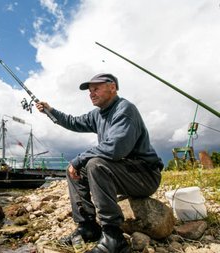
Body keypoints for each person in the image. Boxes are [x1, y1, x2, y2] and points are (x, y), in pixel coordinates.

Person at [36, 73, 163, 253]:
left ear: (112, 87)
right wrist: (50, 111)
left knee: (94, 164)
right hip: (123, 173)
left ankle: (114, 237)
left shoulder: (125, 109)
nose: (91, 94)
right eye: (89, 91)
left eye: (96, 89)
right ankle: (87, 227)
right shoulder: (98, 114)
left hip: (145, 176)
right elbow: (73, 122)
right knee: (75, 170)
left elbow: (116, 148)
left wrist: (78, 159)